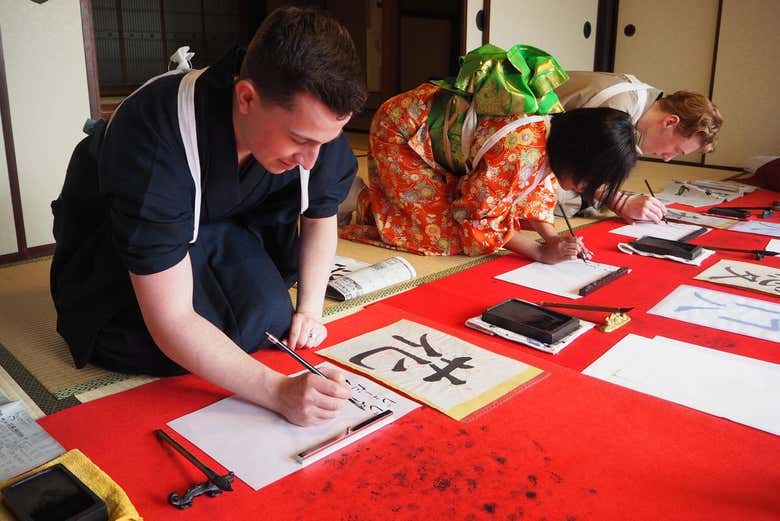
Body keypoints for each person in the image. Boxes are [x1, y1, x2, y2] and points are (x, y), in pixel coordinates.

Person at [50, 7, 367, 426]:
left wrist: (309, 310)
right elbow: (172, 318)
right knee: (150, 345)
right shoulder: (154, 135)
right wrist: (277, 391)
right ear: (247, 98)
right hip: (115, 245)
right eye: (300, 140)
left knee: (269, 318)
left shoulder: (312, 129)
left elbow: (320, 212)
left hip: (216, 226)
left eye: (323, 142)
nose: (311, 160)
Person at [340, 81, 637, 261]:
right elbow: (473, 218)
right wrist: (539, 253)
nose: (584, 186)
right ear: (577, 153)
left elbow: (535, 195)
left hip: (433, 133)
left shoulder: (553, 133)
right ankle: (359, 202)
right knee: (445, 237)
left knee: (503, 222)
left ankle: (382, 202)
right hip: (404, 130)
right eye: (588, 178)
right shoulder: (520, 151)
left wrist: (554, 239)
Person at [555, 71, 723, 222]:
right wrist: (621, 202)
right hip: (532, 144)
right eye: (677, 149)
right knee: (566, 196)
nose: (668, 158)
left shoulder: (643, 98)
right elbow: (576, 170)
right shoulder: (616, 109)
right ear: (670, 121)